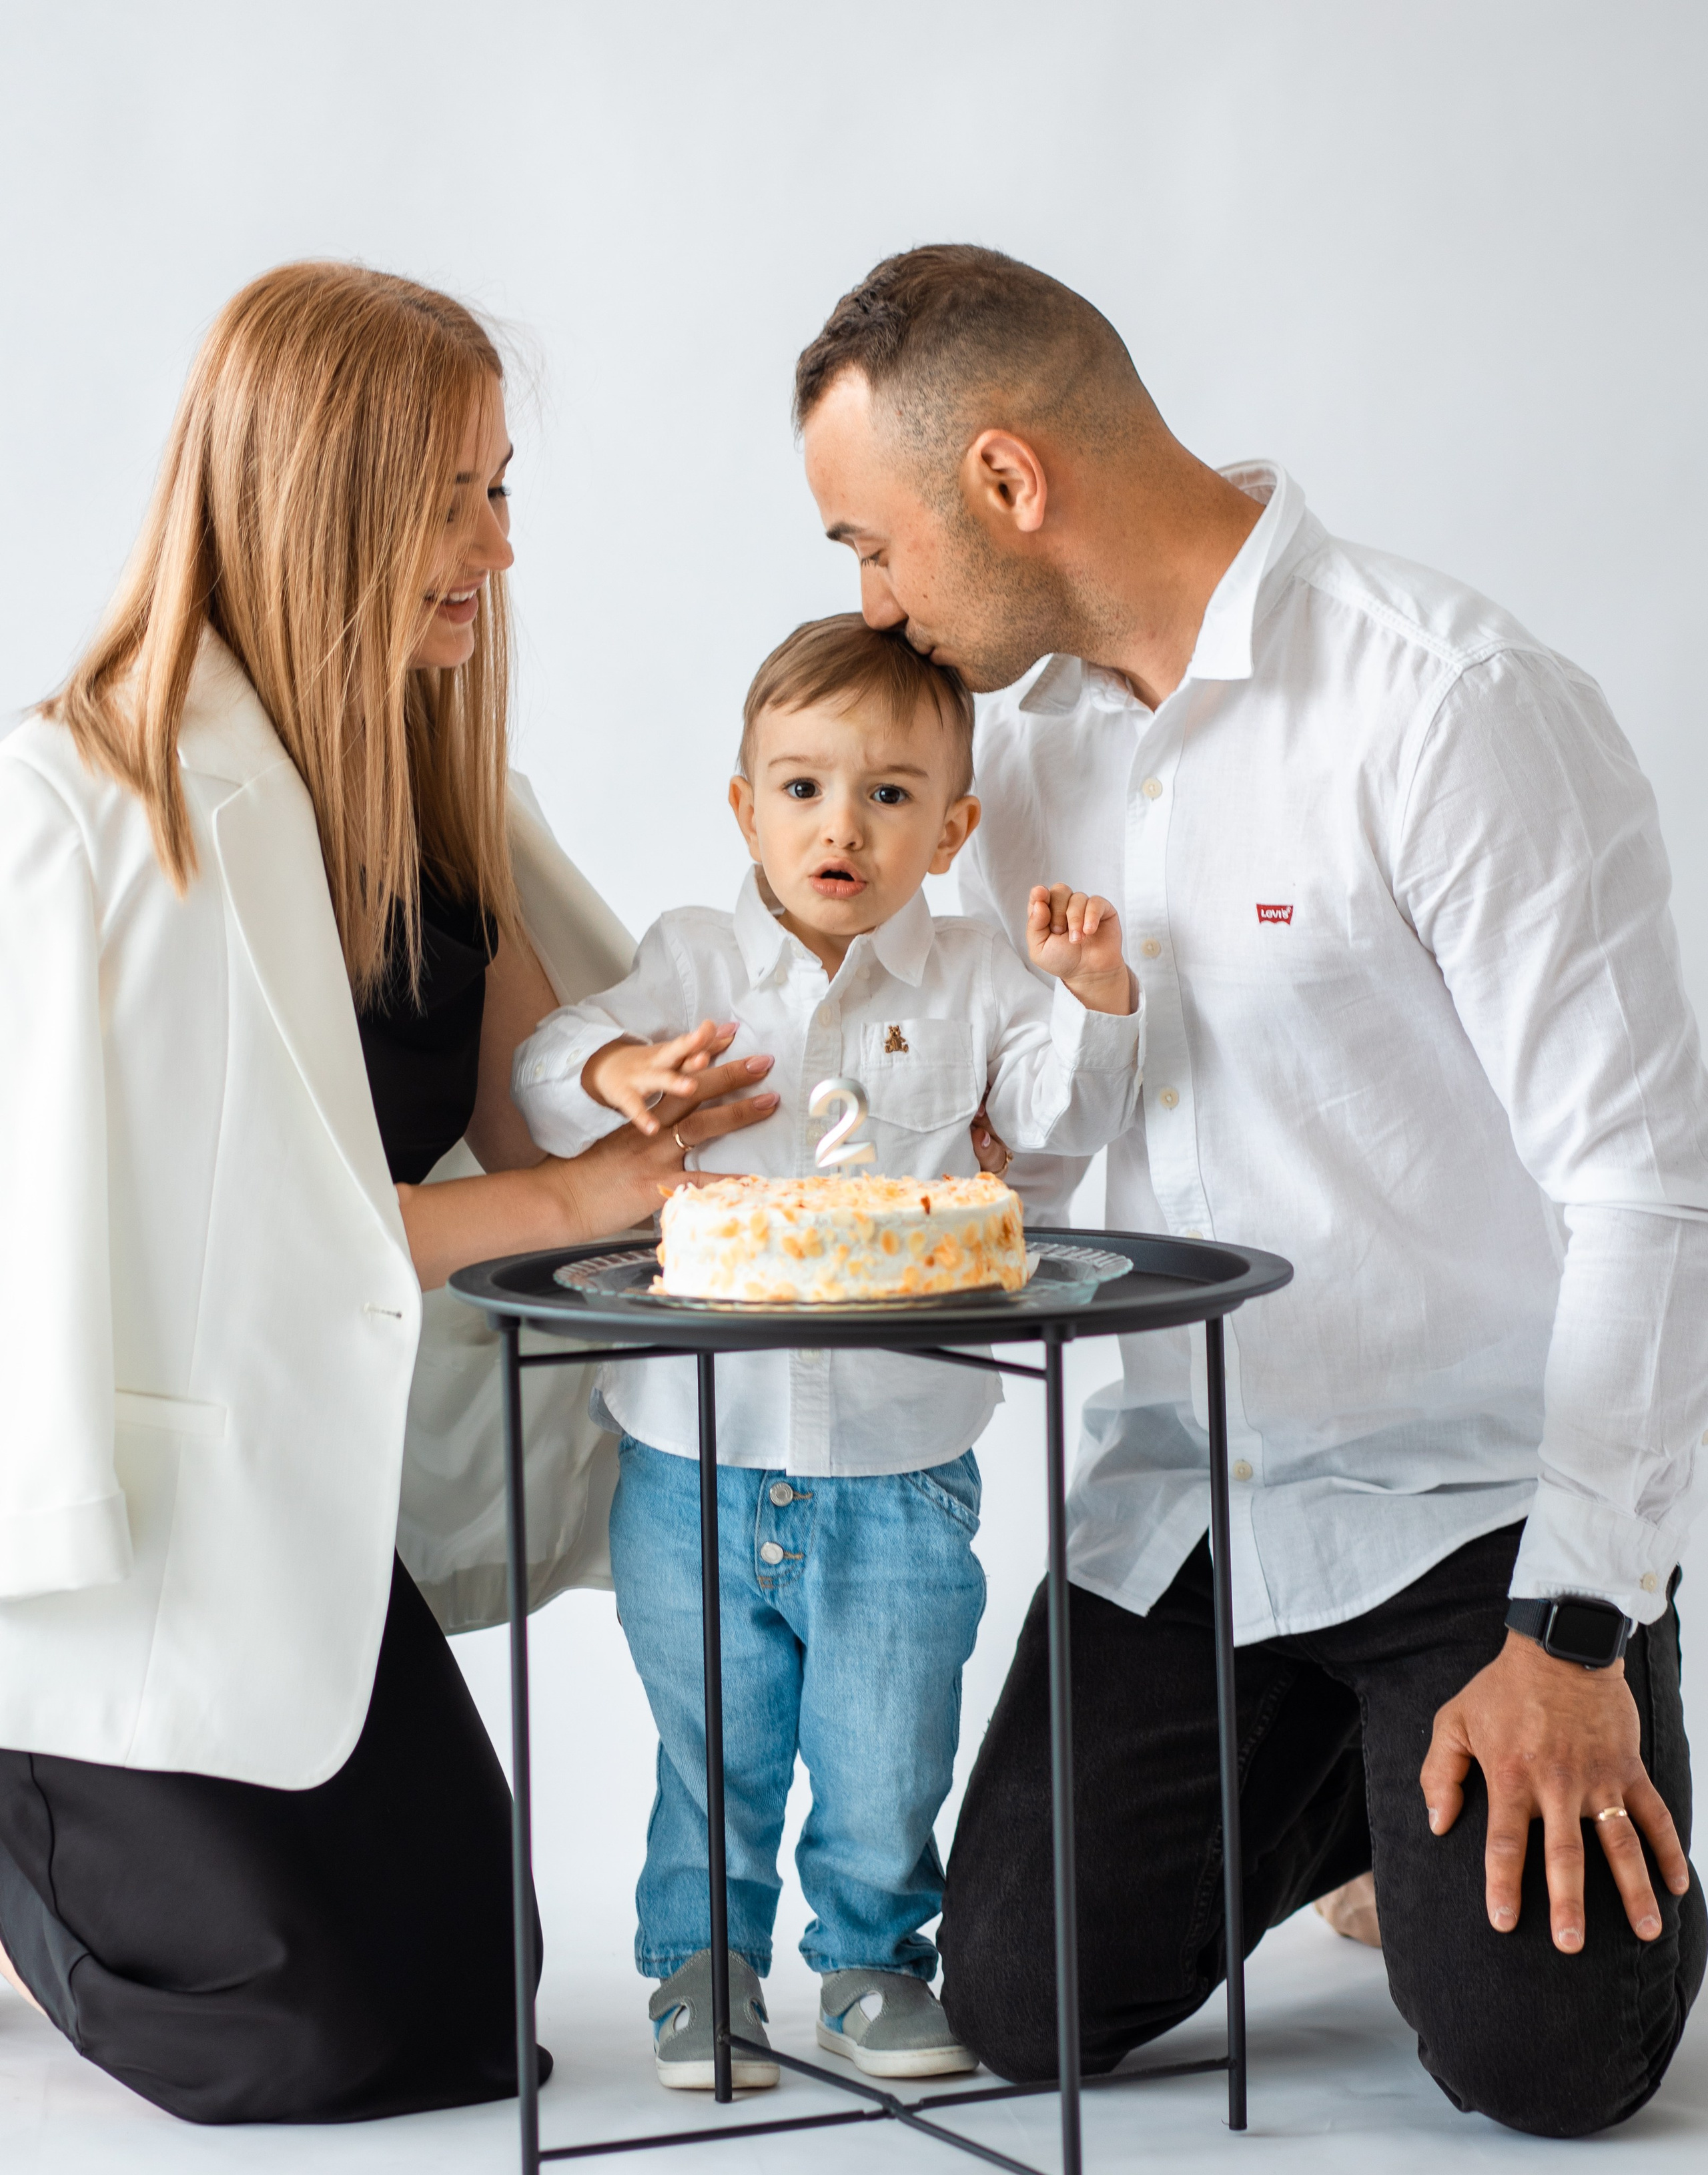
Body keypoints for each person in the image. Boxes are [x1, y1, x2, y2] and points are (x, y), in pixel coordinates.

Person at [793, 245, 1708, 2137]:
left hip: (1467, 1516)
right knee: (1022, 2004)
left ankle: (1479, 1744)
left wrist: (1574, 1632)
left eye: (873, 545)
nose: (875, 605)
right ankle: (1357, 1805)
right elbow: (1042, 1123)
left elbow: (1651, 1189)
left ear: (1006, 481)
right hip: (1184, 1507)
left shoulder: (1447, 703)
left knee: (1545, 2065)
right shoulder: (1001, 768)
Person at [0, 262, 777, 2125]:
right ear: (317, 498)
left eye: (503, 490)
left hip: (295, 1494)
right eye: (456, 499)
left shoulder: (446, 794)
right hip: (129, 1525)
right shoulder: (86, 799)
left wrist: (647, 1101)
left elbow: (527, 1121)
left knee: (467, 2001)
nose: (499, 548)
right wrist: (576, 1199)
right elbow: (247, 1248)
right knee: (298, 2032)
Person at [510, 612, 1142, 2087]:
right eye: (800, 788)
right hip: (693, 1456)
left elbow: (1056, 1123)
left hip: (899, 1463)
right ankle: (701, 1968)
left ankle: (870, 1960)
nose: (838, 826)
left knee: (887, 1745)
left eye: (888, 793)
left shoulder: (976, 978)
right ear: (746, 808)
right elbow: (541, 1074)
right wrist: (618, 1069)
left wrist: (1091, 998)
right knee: (708, 1743)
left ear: (952, 828)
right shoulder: (693, 959)